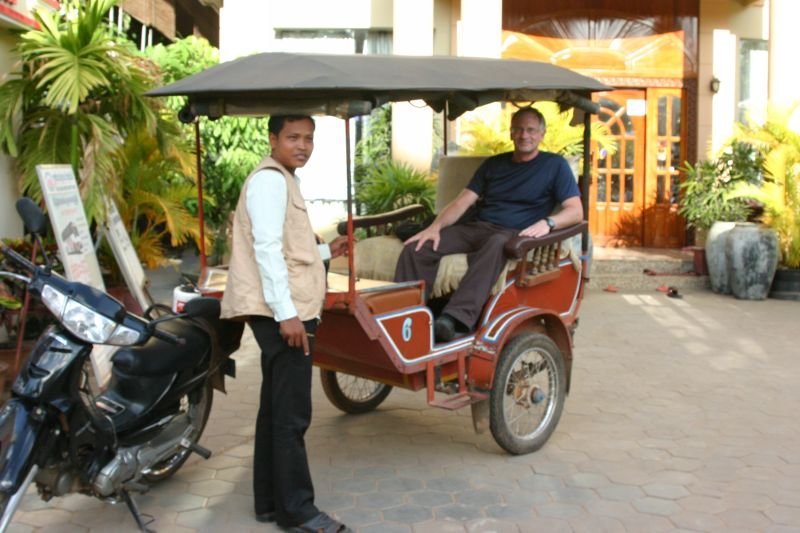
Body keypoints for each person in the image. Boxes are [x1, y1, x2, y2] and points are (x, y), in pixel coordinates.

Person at [220, 115, 351, 532]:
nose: (303, 146)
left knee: (274, 409)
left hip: (285, 308)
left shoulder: (284, 179)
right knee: (292, 415)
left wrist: (328, 252)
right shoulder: (270, 181)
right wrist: (288, 314)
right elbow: (267, 250)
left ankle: (269, 503)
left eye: (309, 138)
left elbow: (292, 249)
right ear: (273, 138)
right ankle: (298, 512)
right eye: (293, 137)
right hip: (285, 312)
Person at [394, 106, 583, 342]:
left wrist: (549, 222)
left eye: (531, 130)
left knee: (497, 244)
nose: (524, 135)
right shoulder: (494, 164)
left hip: (513, 234)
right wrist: (434, 228)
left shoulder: (554, 166)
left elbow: (576, 211)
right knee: (417, 248)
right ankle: (406, 315)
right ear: (511, 133)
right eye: (519, 130)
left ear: (541, 134)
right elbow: (463, 202)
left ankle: (455, 318)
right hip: (477, 227)